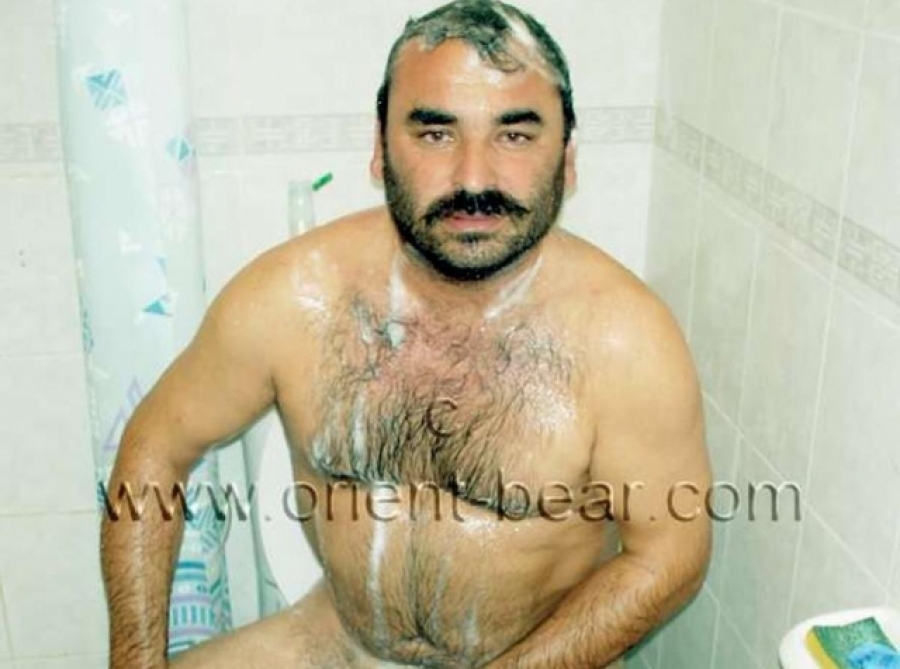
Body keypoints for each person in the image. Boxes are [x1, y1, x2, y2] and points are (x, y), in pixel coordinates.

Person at [101, 1, 712, 667]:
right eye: (435, 134)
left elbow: (670, 555)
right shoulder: (292, 297)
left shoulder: (626, 341)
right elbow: (155, 445)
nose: (473, 178)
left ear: (566, 160)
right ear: (379, 148)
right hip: (335, 641)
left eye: (514, 135)